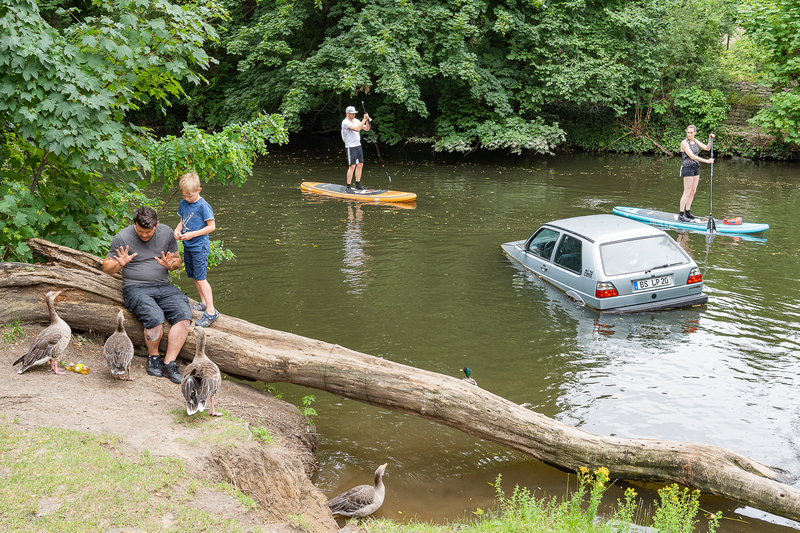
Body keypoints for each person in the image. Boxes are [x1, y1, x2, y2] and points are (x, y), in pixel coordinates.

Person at [102, 206, 190, 384]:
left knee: (184, 316)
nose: (144, 235)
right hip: (135, 288)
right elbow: (106, 267)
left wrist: (170, 265)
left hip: (163, 286)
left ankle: (169, 363)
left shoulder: (166, 233)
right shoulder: (122, 237)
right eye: (140, 231)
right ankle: (154, 357)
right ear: (134, 224)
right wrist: (119, 264)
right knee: (154, 316)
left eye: (148, 232)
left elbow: (177, 262)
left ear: (156, 225)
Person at [173, 172, 219, 328]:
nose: (187, 199)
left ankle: (211, 311)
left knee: (201, 278)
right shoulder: (183, 203)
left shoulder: (203, 205)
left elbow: (211, 227)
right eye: (185, 196)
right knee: (193, 276)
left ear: (199, 190)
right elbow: (181, 221)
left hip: (199, 246)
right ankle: (204, 303)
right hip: (188, 246)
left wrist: (192, 234)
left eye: (190, 196)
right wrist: (177, 231)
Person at [678, 125, 715, 222]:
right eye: (688, 132)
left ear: (695, 133)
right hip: (688, 168)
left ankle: (688, 212)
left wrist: (710, 139)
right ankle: (681, 215)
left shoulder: (695, 141)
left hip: (695, 168)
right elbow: (692, 156)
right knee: (687, 191)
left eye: (691, 132)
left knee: (693, 191)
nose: (689, 134)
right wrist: (707, 161)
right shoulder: (684, 143)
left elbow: (707, 148)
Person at [341, 105, 371, 193]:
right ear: (347, 114)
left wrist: (367, 121)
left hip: (358, 145)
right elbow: (357, 129)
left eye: (354, 113)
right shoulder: (345, 122)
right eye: (352, 114)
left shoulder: (357, 120)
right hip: (350, 147)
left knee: (360, 165)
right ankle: (348, 187)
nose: (353, 115)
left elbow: (366, 129)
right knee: (352, 166)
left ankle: (358, 184)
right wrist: (364, 119)